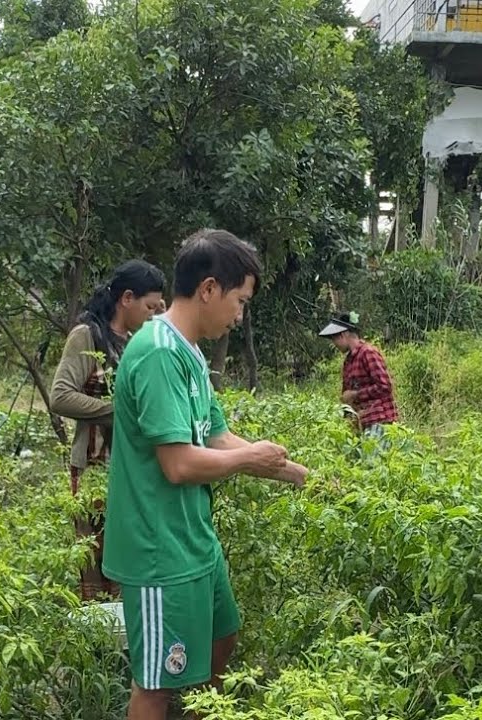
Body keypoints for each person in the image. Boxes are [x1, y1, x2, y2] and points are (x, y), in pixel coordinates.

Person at [103, 229, 309, 719]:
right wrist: (249, 459)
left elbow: (215, 437)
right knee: (155, 682)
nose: (240, 315)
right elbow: (178, 464)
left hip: (193, 539)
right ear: (210, 289)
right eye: (239, 301)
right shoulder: (157, 352)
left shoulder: (189, 353)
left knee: (222, 638)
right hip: (159, 548)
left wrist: (299, 474)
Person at [50, 259, 167, 602]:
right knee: (98, 558)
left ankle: (125, 639)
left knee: (130, 557)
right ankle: (100, 642)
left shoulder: (135, 341)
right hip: (94, 468)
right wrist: (118, 412)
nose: (152, 314)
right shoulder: (87, 335)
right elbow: (61, 396)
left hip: (132, 468)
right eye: (149, 306)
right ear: (126, 298)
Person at [318, 311, 398, 436]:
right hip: (361, 424)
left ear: (343, 334)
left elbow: (385, 386)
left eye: (334, 339)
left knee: (374, 456)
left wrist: (355, 395)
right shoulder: (348, 361)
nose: (334, 344)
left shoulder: (368, 353)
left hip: (379, 422)